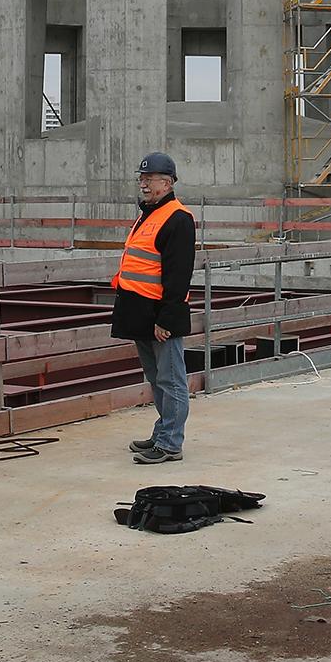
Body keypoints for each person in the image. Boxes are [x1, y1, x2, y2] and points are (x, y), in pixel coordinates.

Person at [113, 152, 196, 465]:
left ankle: (171, 443)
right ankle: (163, 431)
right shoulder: (148, 214)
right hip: (139, 312)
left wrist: (168, 319)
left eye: (150, 179)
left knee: (171, 379)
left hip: (161, 316)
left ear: (168, 182)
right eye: (142, 178)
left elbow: (178, 276)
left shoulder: (178, 219)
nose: (143, 184)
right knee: (156, 377)